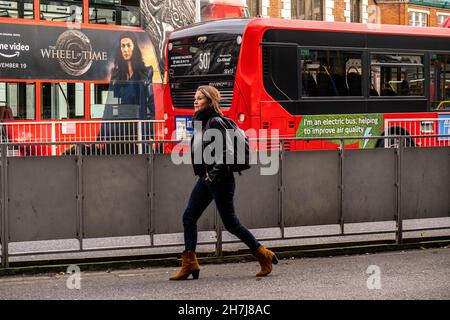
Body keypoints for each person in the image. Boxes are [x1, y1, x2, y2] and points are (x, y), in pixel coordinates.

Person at [169, 85, 278, 281]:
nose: (195, 101)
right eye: (195, 97)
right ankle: (190, 263)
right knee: (189, 217)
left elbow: (226, 152)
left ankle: (263, 254)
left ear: (210, 102)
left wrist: (214, 173)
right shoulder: (202, 121)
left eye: (200, 98)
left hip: (220, 180)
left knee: (231, 224)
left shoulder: (214, 121)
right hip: (207, 180)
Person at [100, 32, 155, 154]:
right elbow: (109, 105)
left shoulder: (146, 72)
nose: (125, 49)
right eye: (122, 46)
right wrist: (101, 135)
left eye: (128, 45)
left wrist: (150, 133)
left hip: (136, 129)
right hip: (117, 130)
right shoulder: (116, 74)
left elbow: (151, 104)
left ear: (134, 46)